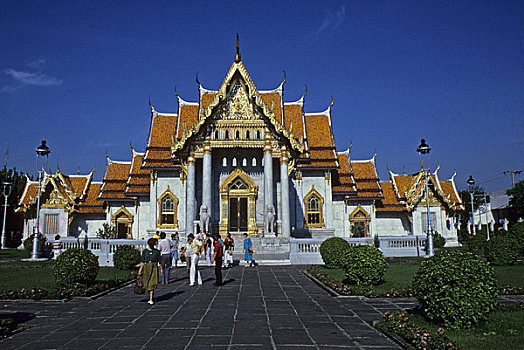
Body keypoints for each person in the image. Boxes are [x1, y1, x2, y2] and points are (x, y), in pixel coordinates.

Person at [138, 238, 162, 305]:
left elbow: (159, 260)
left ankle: (151, 298)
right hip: (147, 267)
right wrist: (140, 269)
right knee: (147, 281)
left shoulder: (157, 252)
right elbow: (143, 261)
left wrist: (161, 269)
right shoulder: (145, 251)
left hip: (153, 267)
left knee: (152, 282)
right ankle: (149, 294)